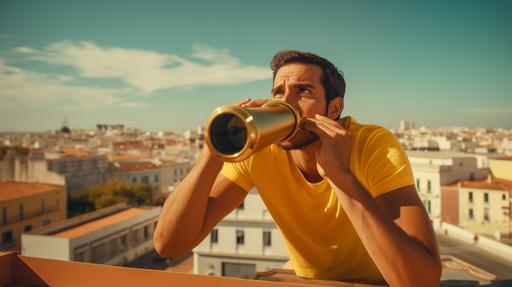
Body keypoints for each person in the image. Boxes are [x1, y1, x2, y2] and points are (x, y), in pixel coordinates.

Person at [154, 50, 441, 286]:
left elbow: (420, 281)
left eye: (302, 90)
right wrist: (215, 147)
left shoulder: (373, 145)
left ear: (333, 108)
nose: (286, 101)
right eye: (278, 91)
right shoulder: (259, 151)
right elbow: (170, 245)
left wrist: (339, 175)